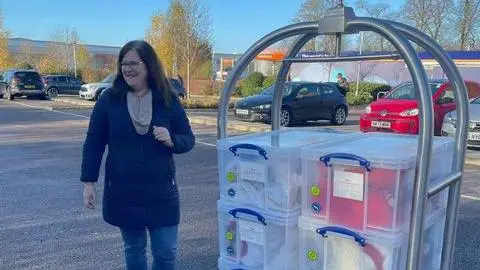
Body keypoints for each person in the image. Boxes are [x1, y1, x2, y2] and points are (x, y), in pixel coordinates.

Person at [80, 40, 195, 270]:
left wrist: (173, 140)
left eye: (133, 63)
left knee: (166, 252)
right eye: (124, 64)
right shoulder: (109, 100)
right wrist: (89, 182)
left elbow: (188, 138)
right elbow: (94, 142)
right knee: (134, 249)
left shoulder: (168, 100)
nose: (127, 69)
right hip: (124, 192)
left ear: (149, 65)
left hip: (161, 192)